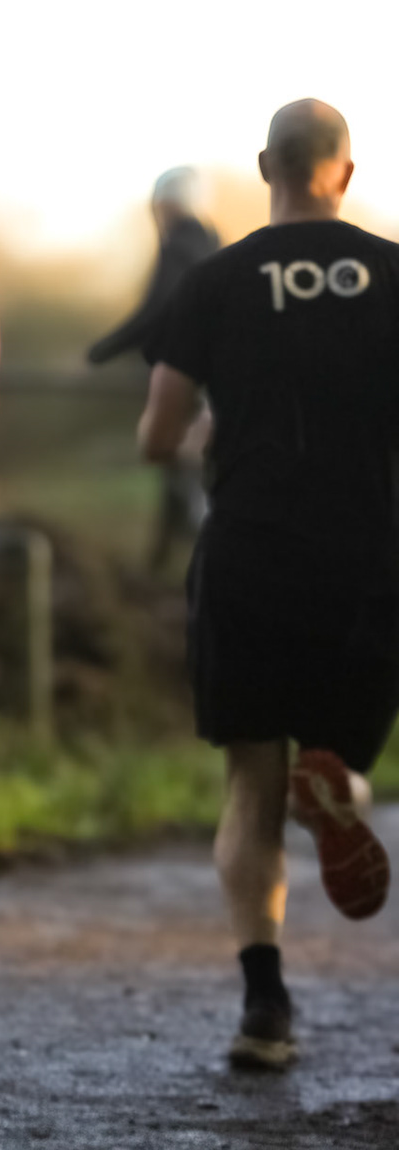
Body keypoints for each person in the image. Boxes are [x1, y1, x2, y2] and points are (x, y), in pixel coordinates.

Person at [140, 99, 399, 1073]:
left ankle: (265, 1006)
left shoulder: (214, 282)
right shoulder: (393, 275)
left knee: (250, 781)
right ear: (344, 169)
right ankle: (347, 786)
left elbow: (157, 437)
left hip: (249, 552)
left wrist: (215, 429)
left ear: (265, 167)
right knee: (334, 750)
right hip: (365, 557)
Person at [90, 167, 223, 571]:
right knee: (189, 468)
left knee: (179, 462)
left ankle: (183, 556)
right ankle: (166, 558)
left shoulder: (178, 248)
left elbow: (156, 315)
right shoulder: (213, 244)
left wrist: (99, 353)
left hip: (182, 376)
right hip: (212, 377)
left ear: (167, 205)